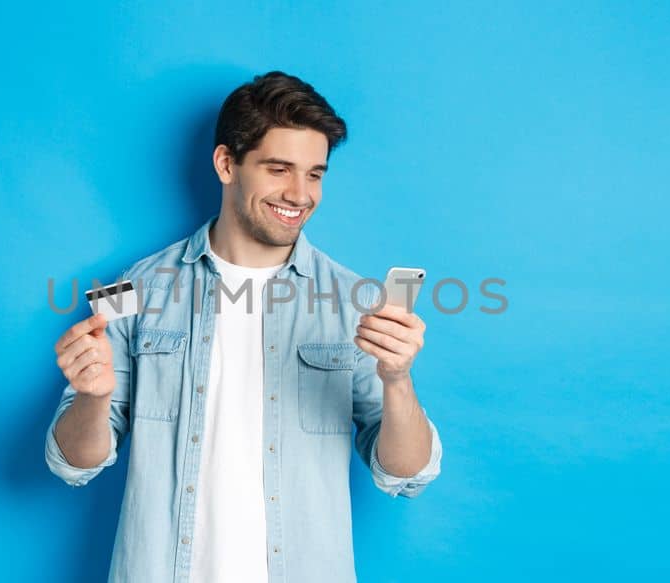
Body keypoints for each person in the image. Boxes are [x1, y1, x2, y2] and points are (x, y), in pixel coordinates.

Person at [45, 71, 443, 583]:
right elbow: (70, 463)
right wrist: (94, 398)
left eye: (315, 174)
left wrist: (397, 380)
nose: (300, 194)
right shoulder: (132, 287)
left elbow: (407, 475)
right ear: (227, 163)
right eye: (279, 169)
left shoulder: (355, 302)